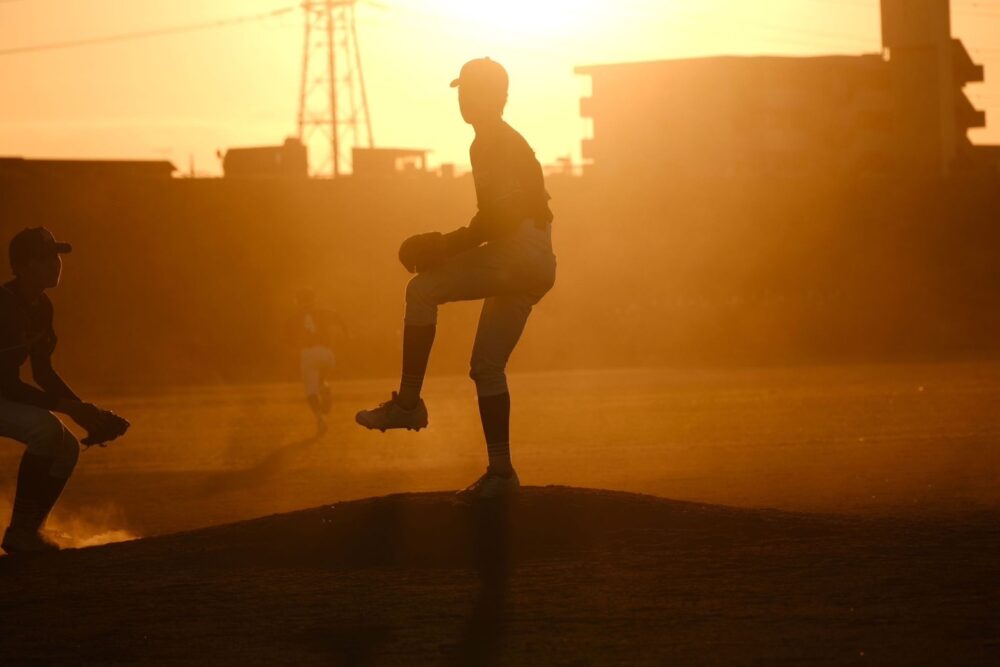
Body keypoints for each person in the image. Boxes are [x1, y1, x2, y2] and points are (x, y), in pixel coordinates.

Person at [355, 58, 557, 499]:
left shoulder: (493, 142)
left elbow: (500, 220)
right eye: (462, 90)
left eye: (471, 90)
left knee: (421, 290)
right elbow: (500, 218)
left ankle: (408, 404)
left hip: (520, 251)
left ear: (495, 96)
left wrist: (448, 245)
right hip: (534, 258)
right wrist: (455, 242)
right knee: (486, 367)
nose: (463, 98)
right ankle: (502, 474)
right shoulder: (497, 140)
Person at [1, 228, 126, 554]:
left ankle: (28, 531)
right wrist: (71, 409)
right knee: (45, 430)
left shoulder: (42, 306)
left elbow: (43, 372)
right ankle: (19, 532)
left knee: (67, 448)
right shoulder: (5, 306)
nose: (56, 264)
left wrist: (85, 411)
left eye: (56, 256)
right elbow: (8, 384)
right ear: (24, 265)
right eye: (45, 258)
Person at [287, 289, 343, 436]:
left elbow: (289, 340)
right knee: (321, 379)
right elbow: (337, 317)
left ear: (297, 302)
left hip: (308, 353)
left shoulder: (294, 318)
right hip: (326, 353)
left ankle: (320, 419)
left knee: (311, 392)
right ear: (314, 300)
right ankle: (325, 389)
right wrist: (346, 334)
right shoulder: (323, 312)